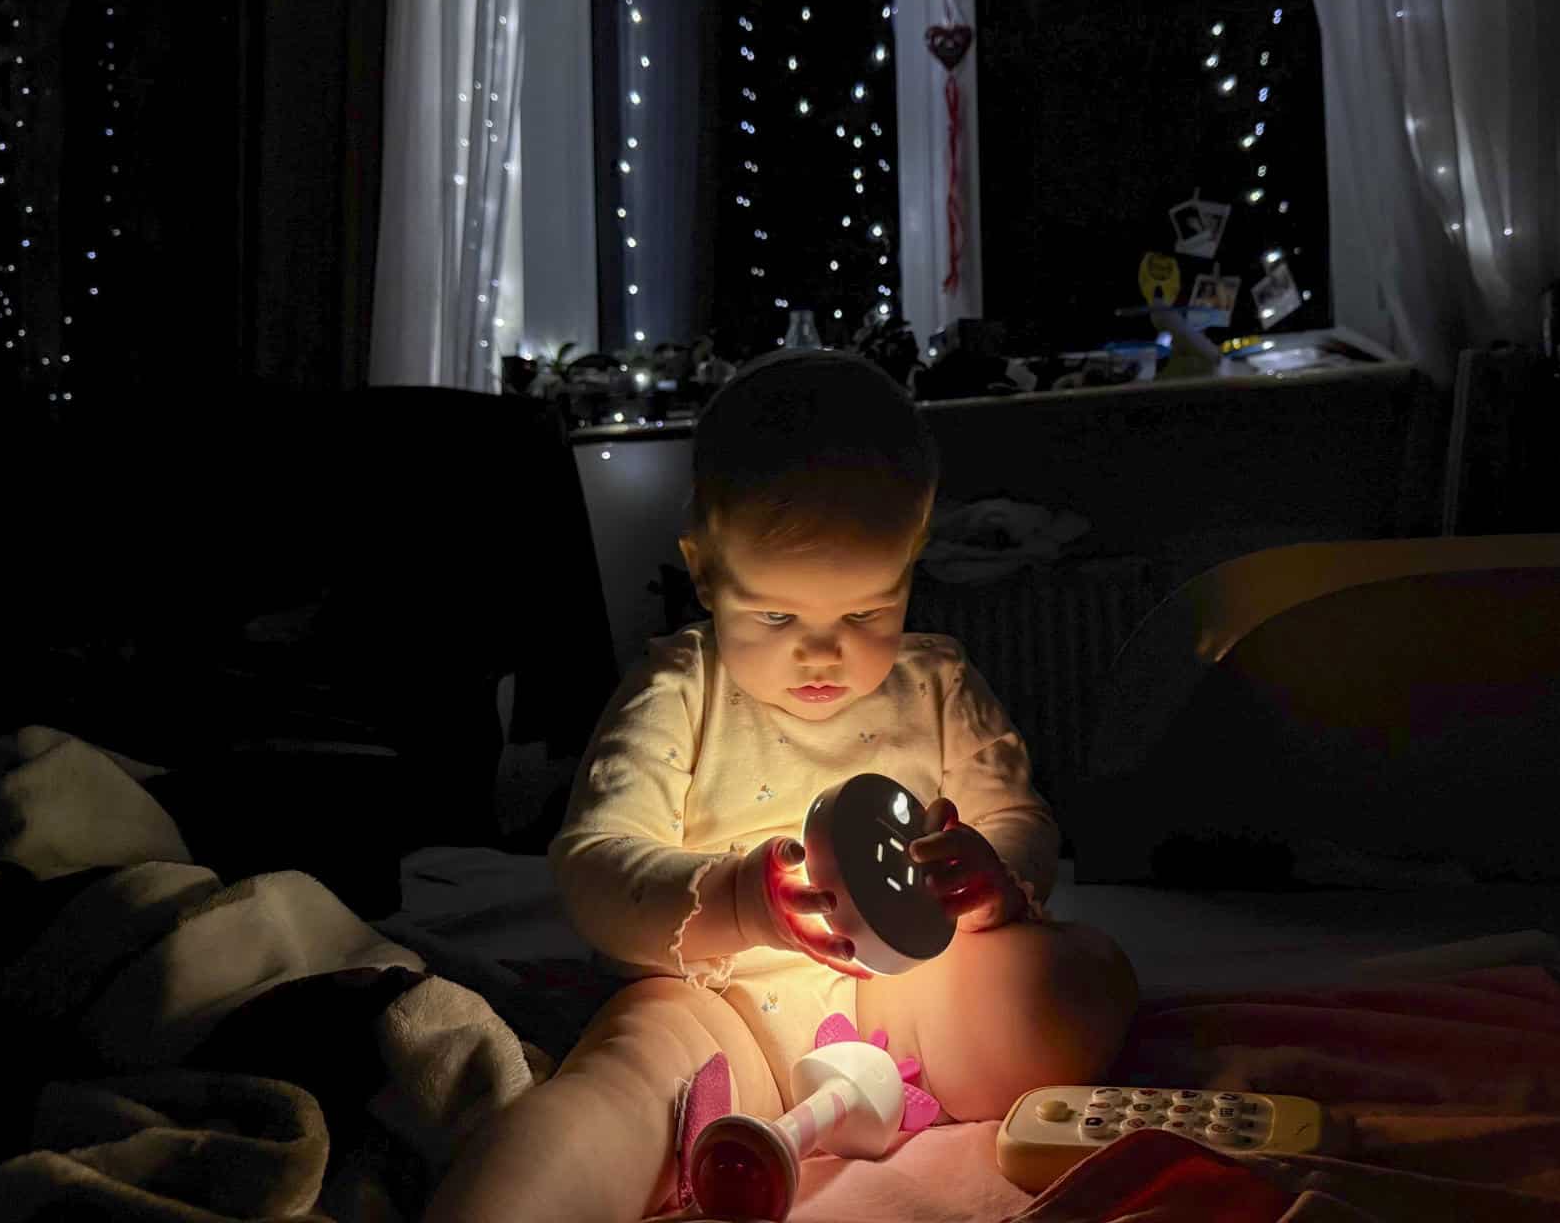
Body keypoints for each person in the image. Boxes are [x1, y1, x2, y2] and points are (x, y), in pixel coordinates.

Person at [425, 350, 1138, 1222]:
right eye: (775, 616)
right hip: (721, 997)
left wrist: (995, 879)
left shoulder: (937, 684)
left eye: (867, 614)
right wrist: (736, 899)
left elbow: (1017, 816)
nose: (823, 651)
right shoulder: (681, 693)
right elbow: (594, 865)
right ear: (705, 570)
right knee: (621, 1084)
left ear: (913, 564)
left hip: (909, 1000)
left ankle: (970, 1056)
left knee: (1081, 977)